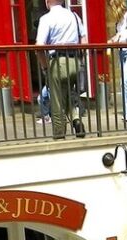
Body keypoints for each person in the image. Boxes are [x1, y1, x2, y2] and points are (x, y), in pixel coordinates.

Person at [36, 0, 87, 140]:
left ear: (47, 2)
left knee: (57, 100)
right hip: (75, 61)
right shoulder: (74, 16)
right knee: (69, 94)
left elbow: (39, 46)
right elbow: (84, 42)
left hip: (57, 62)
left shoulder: (46, 19)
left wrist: (45, 66)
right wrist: (80, 62)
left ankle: (59, 133)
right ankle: (76, 119)